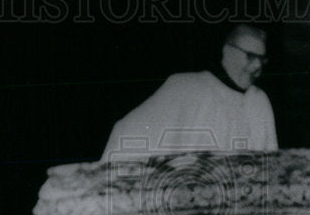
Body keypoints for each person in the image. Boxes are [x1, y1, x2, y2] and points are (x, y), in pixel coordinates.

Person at [102, 24, 278, 158]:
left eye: (262, 59)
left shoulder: (259, 101)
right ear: (227, 50)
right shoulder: (185, 87)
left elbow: (270, 163)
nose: (257, 66)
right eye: (250, 56)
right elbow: (128, 131)